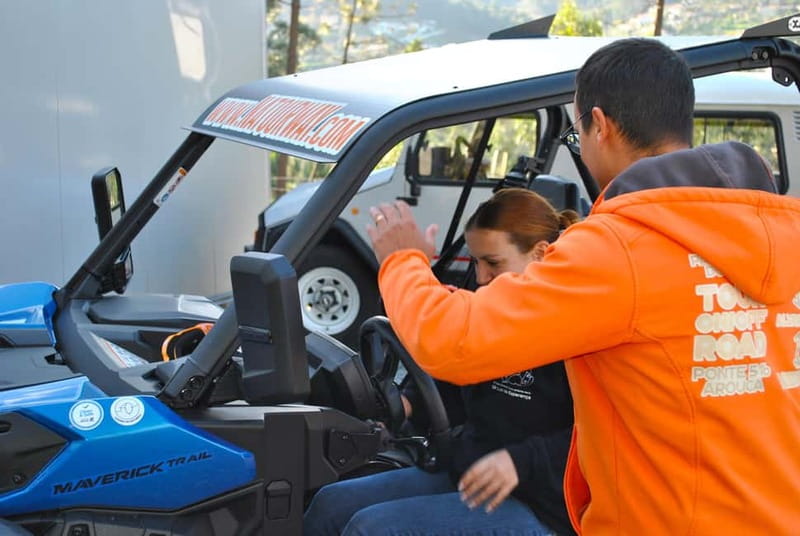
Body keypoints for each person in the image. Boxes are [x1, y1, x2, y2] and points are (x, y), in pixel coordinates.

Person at [366, 38, 800, 535]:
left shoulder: (622, 248)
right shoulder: (784, 236)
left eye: (577, 133)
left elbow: (453, 340)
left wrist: (401, 260)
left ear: (602, 125)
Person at [304, 188, 579, 536]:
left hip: (542, 504)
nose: (480, 277)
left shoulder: (575, 329)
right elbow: (456, 385)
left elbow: (597, 437)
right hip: (470, 475)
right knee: (331, 504)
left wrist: (520, 461)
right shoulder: (490, 315)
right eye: (476, 262)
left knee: (369, 529)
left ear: (539, 254)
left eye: (493, 263)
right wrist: (406, 404)